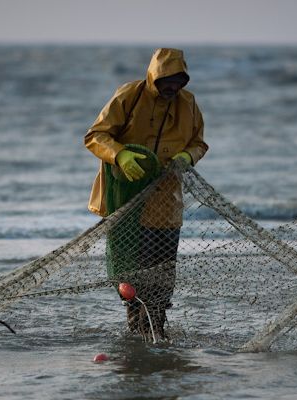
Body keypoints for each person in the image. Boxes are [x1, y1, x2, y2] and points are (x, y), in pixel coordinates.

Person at [84, 48, 208, 341]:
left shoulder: (188, 104)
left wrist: (187, 157)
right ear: (154, 76)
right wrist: (120, 154)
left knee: (162, 275)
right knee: (131, 276)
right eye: (167, 80)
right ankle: (139, 330)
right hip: (124, 200)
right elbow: (94, 136)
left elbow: (199, 143)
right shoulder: (129, 96)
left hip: (165, 203)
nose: (172, 87)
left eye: (178, 82)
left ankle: (154, 331)